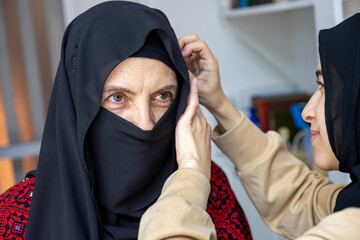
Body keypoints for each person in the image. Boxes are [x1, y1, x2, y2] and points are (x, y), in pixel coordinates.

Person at [0, 1, 252, 240]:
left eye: (163, 96)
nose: (146, 124)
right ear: (78, 106)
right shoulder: (15, 216)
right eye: (118, 97)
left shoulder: (208, 184)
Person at [139, 13, 360, 240]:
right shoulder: (351, 206)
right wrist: (219, 103)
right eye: (117, 98)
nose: (307, 112)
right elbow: (303, 200)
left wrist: (192, 173)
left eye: (325, 88)